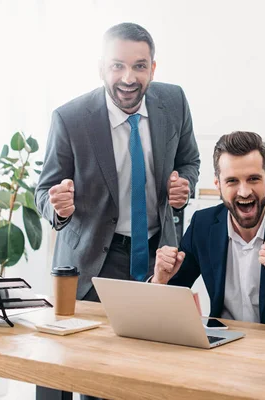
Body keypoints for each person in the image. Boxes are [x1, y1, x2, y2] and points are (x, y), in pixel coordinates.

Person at [36, 22, 200, 302]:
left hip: (156, 255)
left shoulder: (175, 102)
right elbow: (44, 190)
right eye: (117, 66)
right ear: (101, 69)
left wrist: (184, 184)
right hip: (93, 258)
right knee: (92, 345)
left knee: (153, 342)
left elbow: (189, 161)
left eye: (139, 66)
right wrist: (58, 208)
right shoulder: (70, 118)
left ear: (153, 68)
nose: (128, 78)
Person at [152, 131, 265, 331]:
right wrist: (159, 280)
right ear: (218, 185)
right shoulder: (202, 225)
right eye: (232, 181)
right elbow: (171, 296)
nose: (244, 192)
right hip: (221, 348)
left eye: (253, 179)